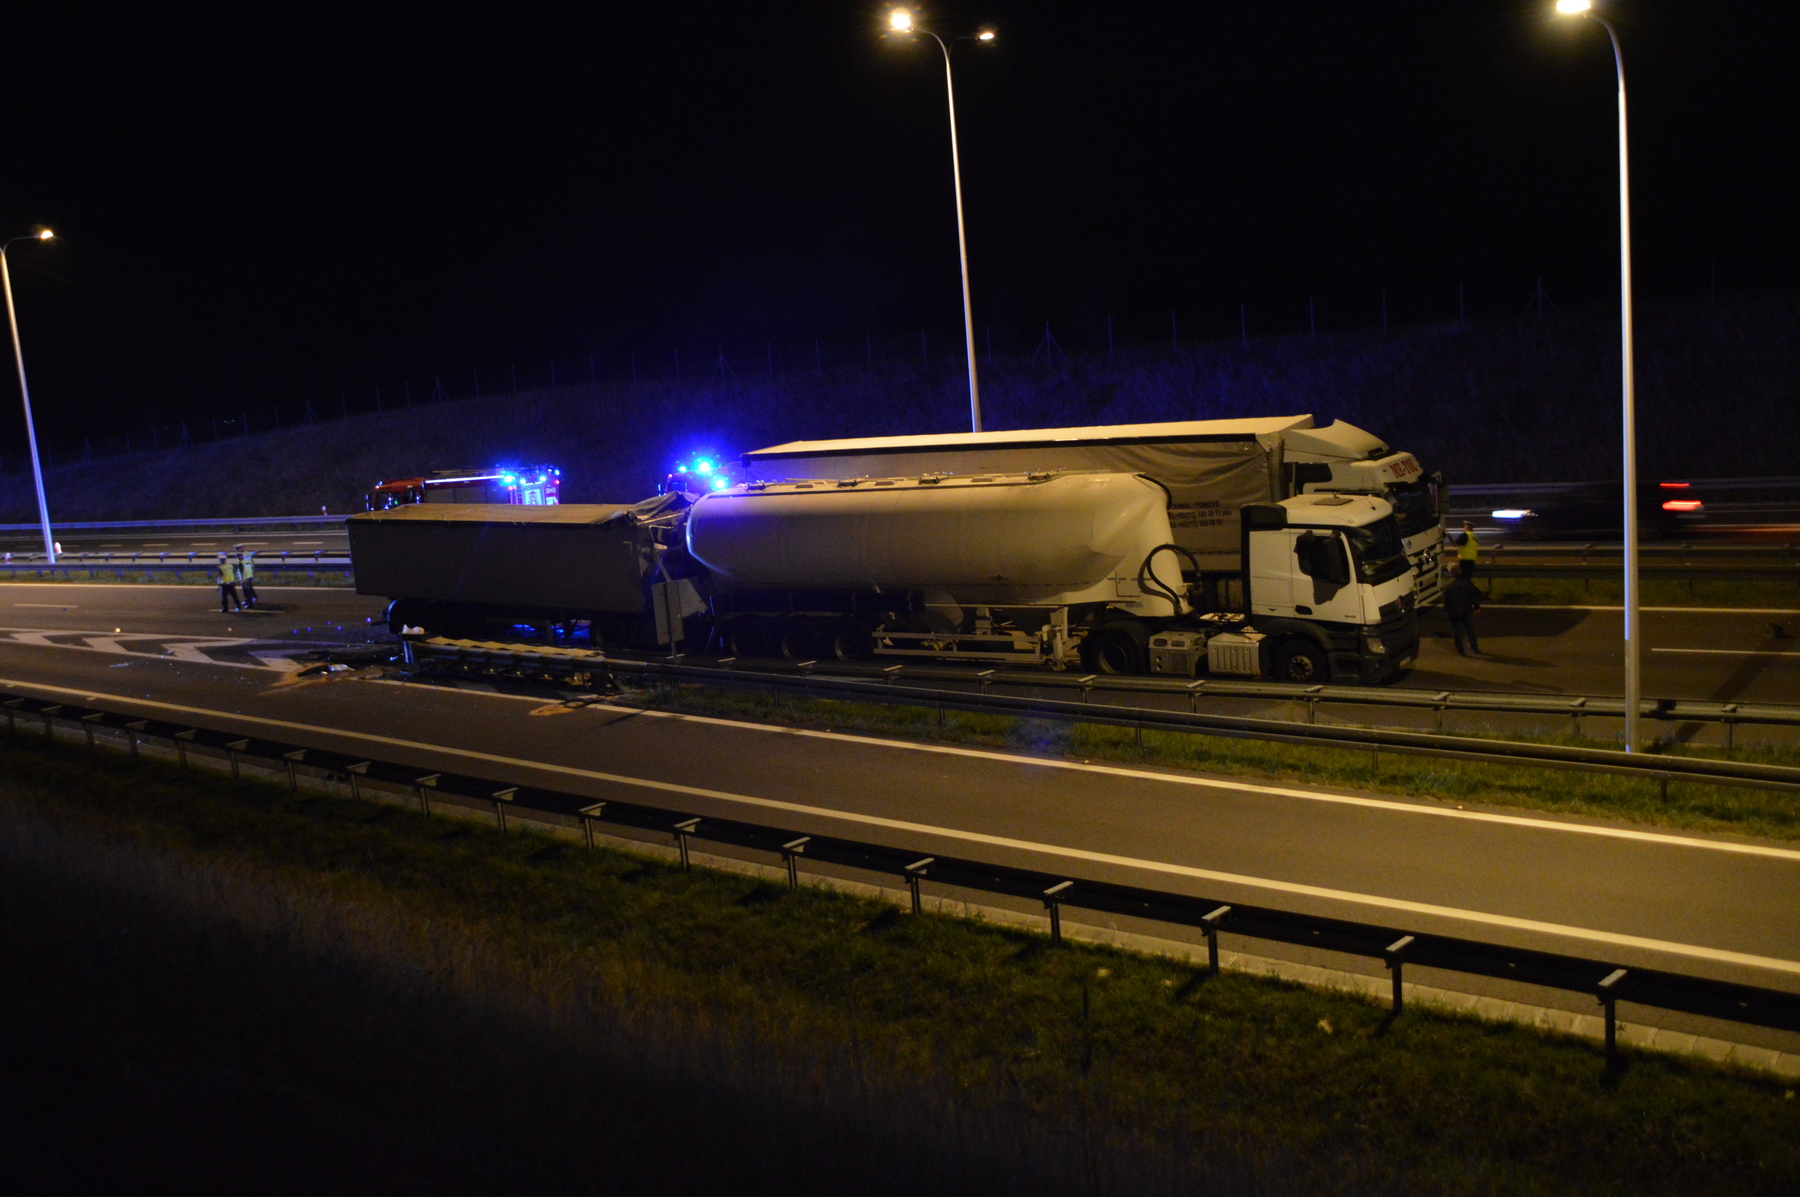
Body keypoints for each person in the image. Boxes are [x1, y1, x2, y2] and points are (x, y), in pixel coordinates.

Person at [1443, 561, 1483, 656]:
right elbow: (1473, 596)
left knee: (1457, 631)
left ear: (1452, 574)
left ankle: (1461, 650)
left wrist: (1448, 610)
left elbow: (1446, 602)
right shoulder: (1467, 583)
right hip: (1466, 610)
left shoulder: (1449, 587)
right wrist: (1477, 607)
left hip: (1454, 611)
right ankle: (1474, 647)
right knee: (1469, 629)